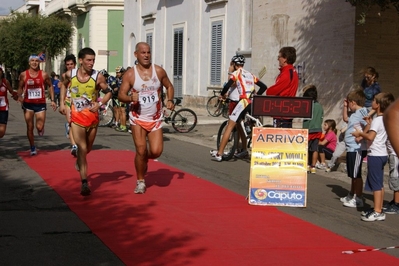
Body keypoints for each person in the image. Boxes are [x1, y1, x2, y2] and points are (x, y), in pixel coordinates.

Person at [118, 42, 175, 194]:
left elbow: (169, 86)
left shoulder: (158, 71)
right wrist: (131, 98)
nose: (146, 55)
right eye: (142, 52)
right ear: (136, 54)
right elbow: (121, 95)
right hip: (137, 118)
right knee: (141, 149)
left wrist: (170, 100)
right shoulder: (130, 74)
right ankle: (141, 181)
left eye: (148, 52)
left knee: (156, 152)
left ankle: (142, 159)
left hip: (155, 118)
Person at [59, 47, 112, 196]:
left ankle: (80, 162)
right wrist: (62, 103)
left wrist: (99, 104)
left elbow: (109, 92)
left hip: (92, 118)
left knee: (87, 149)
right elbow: (63, 84)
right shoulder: (71, 74)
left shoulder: (98, 77)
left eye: (93, 60)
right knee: (81, 148)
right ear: (81, 61)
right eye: (88, 60)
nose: (91, 63)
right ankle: (84, 182)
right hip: (76, 117)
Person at [210, 54, 267, 162]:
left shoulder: (236, 73)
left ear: (235, 65)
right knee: (245, 124)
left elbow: (227, 86)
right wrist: (256, 95)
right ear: (243, 64)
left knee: (230, 126)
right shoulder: (250, 74)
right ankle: (245, 147)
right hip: (253, 101)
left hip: (243, 101)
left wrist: (222, 95)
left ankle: (219, 153)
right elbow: (264, 86)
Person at [352, 92, 394, 221]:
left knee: (376, 184)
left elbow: (370, 137)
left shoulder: (378, 120)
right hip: (382, 154)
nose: (372, 102)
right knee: (379, 184)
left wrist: (359, 133)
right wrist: (369, 123)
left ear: (379, 105)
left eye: (374, 100)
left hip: (375, 154)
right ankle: (379, 208)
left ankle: (377, 211)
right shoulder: (384, 119)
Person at [16, 55, 57, 155]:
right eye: (32, 61)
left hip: (40, 104)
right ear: (29, 62)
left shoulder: (43, 75)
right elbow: (20, 87)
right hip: (28, 104)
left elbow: (50, 86)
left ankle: (40, 129)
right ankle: (32, 147)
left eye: (36, 61)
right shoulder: (23, 75)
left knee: (39, 127)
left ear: (39, 63)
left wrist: (52, 100)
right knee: (30, 127)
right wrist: (19, 96)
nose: (34, 63)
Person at [340, 89, 369, 208]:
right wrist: (345, 107)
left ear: (353, 102)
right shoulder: (354, 114)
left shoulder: (362, 111)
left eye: (349, 104)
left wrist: (361, 136)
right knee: (353, 174)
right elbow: (346, 119)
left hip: (357, 148)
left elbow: (368, 124)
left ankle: (358, 198)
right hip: (351, 148)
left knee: (357, 174)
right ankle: (352, 193)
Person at [265, 46, 299, 128]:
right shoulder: (291, 71)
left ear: (285, 59)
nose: (278, 59)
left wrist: (268, 90)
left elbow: (273, 91)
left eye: (279, 57)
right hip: (286, 111)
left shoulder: (286, 73)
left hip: (282, 112)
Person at [302, 85, 324, 173]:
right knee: (315, 149)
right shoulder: (320, 106)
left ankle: (307, 165)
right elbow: (322, 117)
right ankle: (313, 167)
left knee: (306, 148)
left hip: (308, 129)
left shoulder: (307, 106)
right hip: (318, 129)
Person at [383, 96, 399, 214]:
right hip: (392, 153)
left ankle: (397, 203)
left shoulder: (391, 114)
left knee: (395, 177)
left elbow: (391, 112)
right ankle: (395, 200)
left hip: (395, 153)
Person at [61, 54, 78, 156]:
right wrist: (62, 103)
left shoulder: (80, 74)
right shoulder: (65, 75)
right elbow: (63, 86)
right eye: (68, 64)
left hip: (78, 101)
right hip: (68, 99)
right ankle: (74, 145)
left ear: (75, 64)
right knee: (71, 122)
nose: (70, 66)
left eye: (71, 64)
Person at [0, 67, 18, 138]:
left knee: (2, 133)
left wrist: (16, 96)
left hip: (3, 109)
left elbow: (11, 91)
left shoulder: (5, 82)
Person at [111, 66, 128, 132]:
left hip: (124, 97)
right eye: (117, 72)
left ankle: (124, 126)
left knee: (123, 111)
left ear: (122, 72)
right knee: (120, 111)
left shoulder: (124, 79)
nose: (117, 74)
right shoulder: (118, 78)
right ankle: (121, 125)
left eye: (119, 72)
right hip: (119, 96)